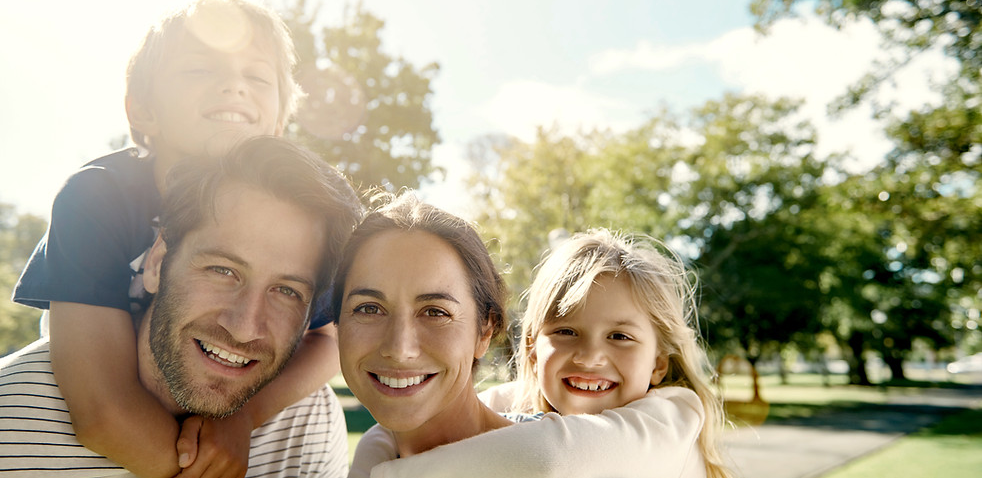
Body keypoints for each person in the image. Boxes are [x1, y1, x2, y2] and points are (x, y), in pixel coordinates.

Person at [9, 0, 338, 476]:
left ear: (278, 124)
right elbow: (103, 412)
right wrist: (196, 465)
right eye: (201, 69)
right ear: (143, 110)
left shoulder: (297, 223)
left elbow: (328, 341)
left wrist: (241, 417)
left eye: (258, 77)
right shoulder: (96, 196)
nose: (233, 85)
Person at [0, 136, 361, 477]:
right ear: (156, 264)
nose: (244, 327)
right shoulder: (11, 420)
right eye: (223, 270)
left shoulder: (307, 422)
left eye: (286, 291)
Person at [355, 228, 732, 478]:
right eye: (566, 332)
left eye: (619, 336)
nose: (589, 357)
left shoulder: (675, 418)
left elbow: (550, 459)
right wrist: (379, 444)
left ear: (659, 364)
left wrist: (380, 469)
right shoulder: (524, 404)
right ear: (533, 352)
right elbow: (399, 428)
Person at [330, 192, 515, 474]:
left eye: (435, 312)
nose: (399, 348)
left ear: (485, 331)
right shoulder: (374, 459)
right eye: (369, 309)